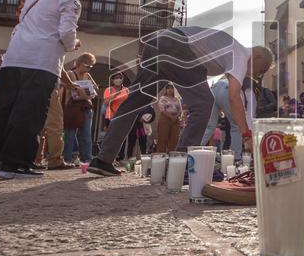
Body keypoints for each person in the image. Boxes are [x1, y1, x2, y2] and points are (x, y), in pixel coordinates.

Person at [88, 27, 274, 176]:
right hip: (177, 46)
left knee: (133, 103)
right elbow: (234, 97)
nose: (254, 75)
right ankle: (182, 162)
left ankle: (103, 160)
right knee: (203, 103)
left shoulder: (230, 48)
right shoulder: (241, 55)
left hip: (158, 41)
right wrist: (246, 136)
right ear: (257, 57)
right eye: (259, 71)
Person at [0, 0, 90, 178]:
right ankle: (15, 163)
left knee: (2, 109)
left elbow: (23, 21)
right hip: (41, 61)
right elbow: (67, 32)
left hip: (14, 58)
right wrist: (73, 44)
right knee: (29, 112)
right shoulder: (69, 0)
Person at [63, 53, 98, 166]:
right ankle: (67, 159)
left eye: (91, 67)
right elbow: (72, 89)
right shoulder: (70, 73)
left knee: (86, 134)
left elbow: (95, 88)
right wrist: (82, 89)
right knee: (70, 134)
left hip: (86, 107)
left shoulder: (87, 75)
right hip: (73, 108)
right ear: (80, 64)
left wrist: (91, 89)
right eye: (88, 66)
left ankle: (87, 159)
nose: (89, 69)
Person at [155, 84, 183, 153]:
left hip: (176, 119)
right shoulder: (163, 98)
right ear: (166, 90)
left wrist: (175, 117)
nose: (170, 90)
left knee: (174, 138)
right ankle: (162, 154)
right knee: (163, 137)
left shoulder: (177, 99)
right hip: (165, 118)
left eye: (171, 88)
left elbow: (180, 110)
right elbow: (162, 109)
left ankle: (171, 154)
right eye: (168, 88)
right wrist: (171, 116)